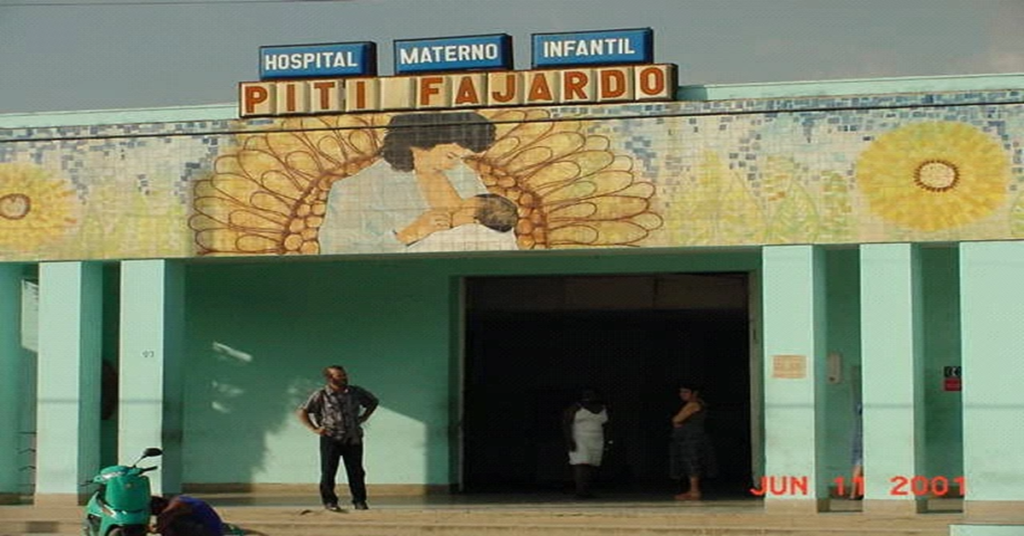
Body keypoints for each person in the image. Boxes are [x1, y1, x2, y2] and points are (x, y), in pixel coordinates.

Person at [318, 111, 500, 254]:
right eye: (450, 156)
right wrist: (406, 235)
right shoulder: (355, 189)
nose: (454, 166)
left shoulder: (463, 176)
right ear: (418, 145)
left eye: (462, 158)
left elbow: (497, 224)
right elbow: (336, 252)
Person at [296, 365, 379, 511]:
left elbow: (373, 402)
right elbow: (303, 411)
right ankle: (330, 502)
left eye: (344, 375)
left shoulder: (356, 392)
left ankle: (359, 501)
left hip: (353, 438)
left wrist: (364, 416)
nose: (344, 378)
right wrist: (314, 428)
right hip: (331, 437)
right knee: (328, 470)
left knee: (356, 471)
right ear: (330, 378)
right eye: (339, 376)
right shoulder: (321, 395)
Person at [406, 193, 519, 252]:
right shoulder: (505, 240)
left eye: (461, 209)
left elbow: (407, 257)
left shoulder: (462, 233)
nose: (453, 211)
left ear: (475, 221)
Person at [669, 384, 718, 501]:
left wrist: (678, 423)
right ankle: (692, 490)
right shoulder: (695, 405)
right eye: (681, 392)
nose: (682, 395)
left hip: (692, 439)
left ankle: (694, 490)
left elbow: (676, 419)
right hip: (690, 437)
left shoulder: (693, 404)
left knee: (692, 462)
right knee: (690, 462)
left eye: (685, 392)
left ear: (694, 393)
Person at [562, 389, 609, 499]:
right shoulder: (576, 407)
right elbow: (566, 423)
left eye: (593, 395)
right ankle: (580, 491)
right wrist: (570, 440)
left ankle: (587, 490)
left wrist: (608, 440)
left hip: (597, 439)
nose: (590, 397)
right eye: (588, 395)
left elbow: (606, 426)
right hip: (580, 438)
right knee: (581, 464)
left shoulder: (603, 408)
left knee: (592, 464)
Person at [149, 495, 224, 536]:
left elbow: (164, 516)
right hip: (207, 529)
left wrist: (155, 528)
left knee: (168, 525)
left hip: (209, 532)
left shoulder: (177, 504)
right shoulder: (181, 499)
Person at [849, 401, 864, 500]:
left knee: (858, 465)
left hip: (858, 436)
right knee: (859, 465)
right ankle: (855, 493)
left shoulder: (859, 406)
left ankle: (856, 492)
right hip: (863, 437)